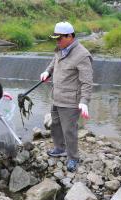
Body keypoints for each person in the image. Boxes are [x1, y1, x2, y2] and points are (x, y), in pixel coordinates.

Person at [40, 21, 93, 172]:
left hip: (70, 101)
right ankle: (59, 148)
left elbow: (87, 82)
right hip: (57, 96)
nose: (57, 41)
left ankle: (73, 157)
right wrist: (47, 72)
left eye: (59, 38)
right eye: (55, 38)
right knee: (55, 124)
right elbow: (54, 61)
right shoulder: (60, 48)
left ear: (70, 36)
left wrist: (84, 101)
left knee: (69, 130)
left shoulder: (82, 55)